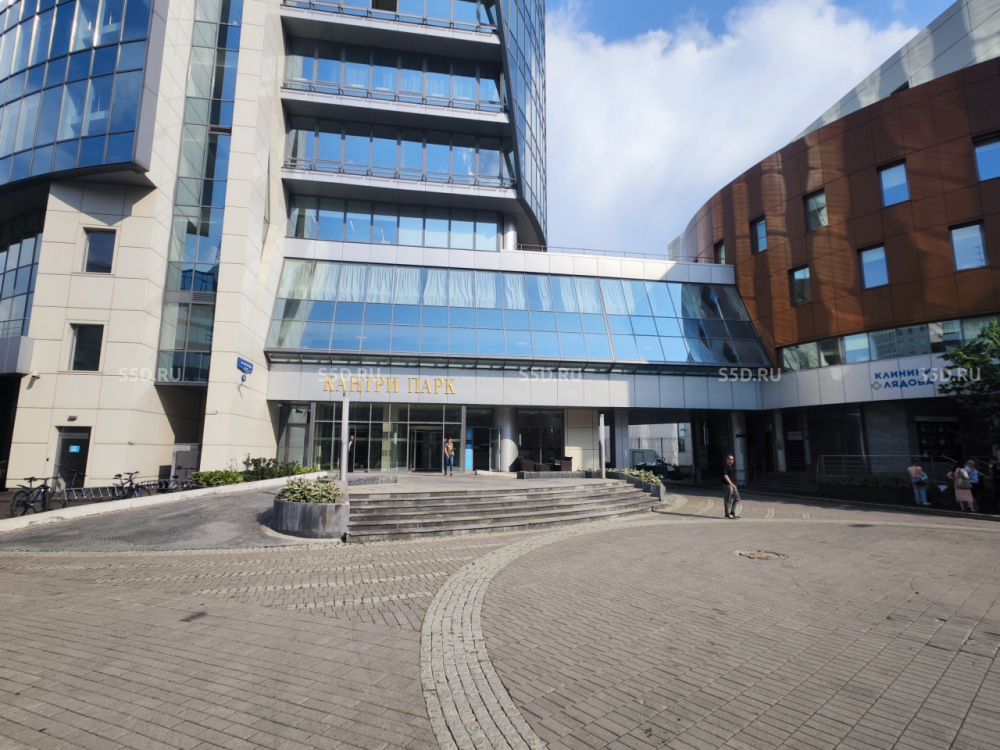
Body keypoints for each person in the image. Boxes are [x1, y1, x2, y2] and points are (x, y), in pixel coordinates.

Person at [722, 454, 740, 519]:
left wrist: (733, 484)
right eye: (731, 459)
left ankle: (733, 512)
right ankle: (727, 514)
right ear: (727, 459)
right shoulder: (726, 466)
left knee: (737, 498)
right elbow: (725, 475)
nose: (732, 460)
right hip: (727, 485)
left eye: (733, 459)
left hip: (732, 485)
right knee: (728, 499)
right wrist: (731, 484)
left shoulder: (731, 466)